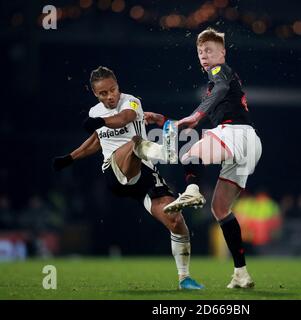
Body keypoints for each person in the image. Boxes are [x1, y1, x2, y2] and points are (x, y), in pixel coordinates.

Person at [52, 66, 203, 290]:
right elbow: (96, 141)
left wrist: (103, 122)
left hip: (144, 174)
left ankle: (185, 278)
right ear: (95, 94)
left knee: (176, 220)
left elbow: (126, 118)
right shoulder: (95, 112)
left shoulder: (132, 102)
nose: (110, 96)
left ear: (118, 86)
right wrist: (70, 158)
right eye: (103, 93)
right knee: (134, 143)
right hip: (115, 170)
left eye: (112, 90)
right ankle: (166, 152)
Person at [163, 28, 262, 289]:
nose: (204, 56)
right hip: (248, 142)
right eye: (200, 52)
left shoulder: (219, 72)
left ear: (223, 53)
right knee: (220, 209)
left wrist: (195, 118)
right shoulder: (217, 83)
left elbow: (219, 90)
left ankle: (192, 188)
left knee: (188, 153)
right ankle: (241, 273)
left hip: (235, 134)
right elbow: (216, 97)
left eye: (209, 50)